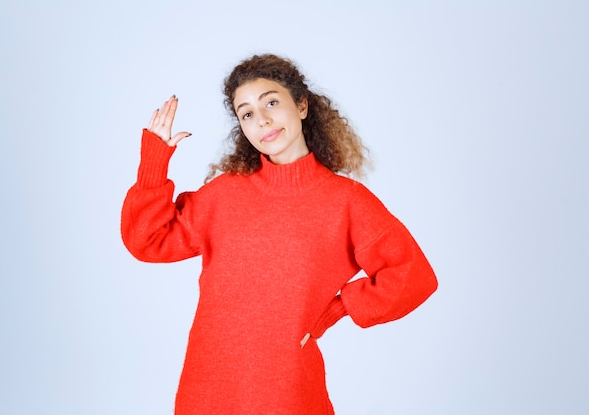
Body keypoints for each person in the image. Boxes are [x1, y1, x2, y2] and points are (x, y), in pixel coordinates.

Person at [121, 54, 437, 415]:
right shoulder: (225, 195)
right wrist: (154, 162)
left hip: (288, 390)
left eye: (271, 102)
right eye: (248, 114)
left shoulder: (346, 202)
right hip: (208, 387)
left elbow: (413, 275)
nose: (263, 120)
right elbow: (147, 240)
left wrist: (338, 308)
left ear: (301, 105)